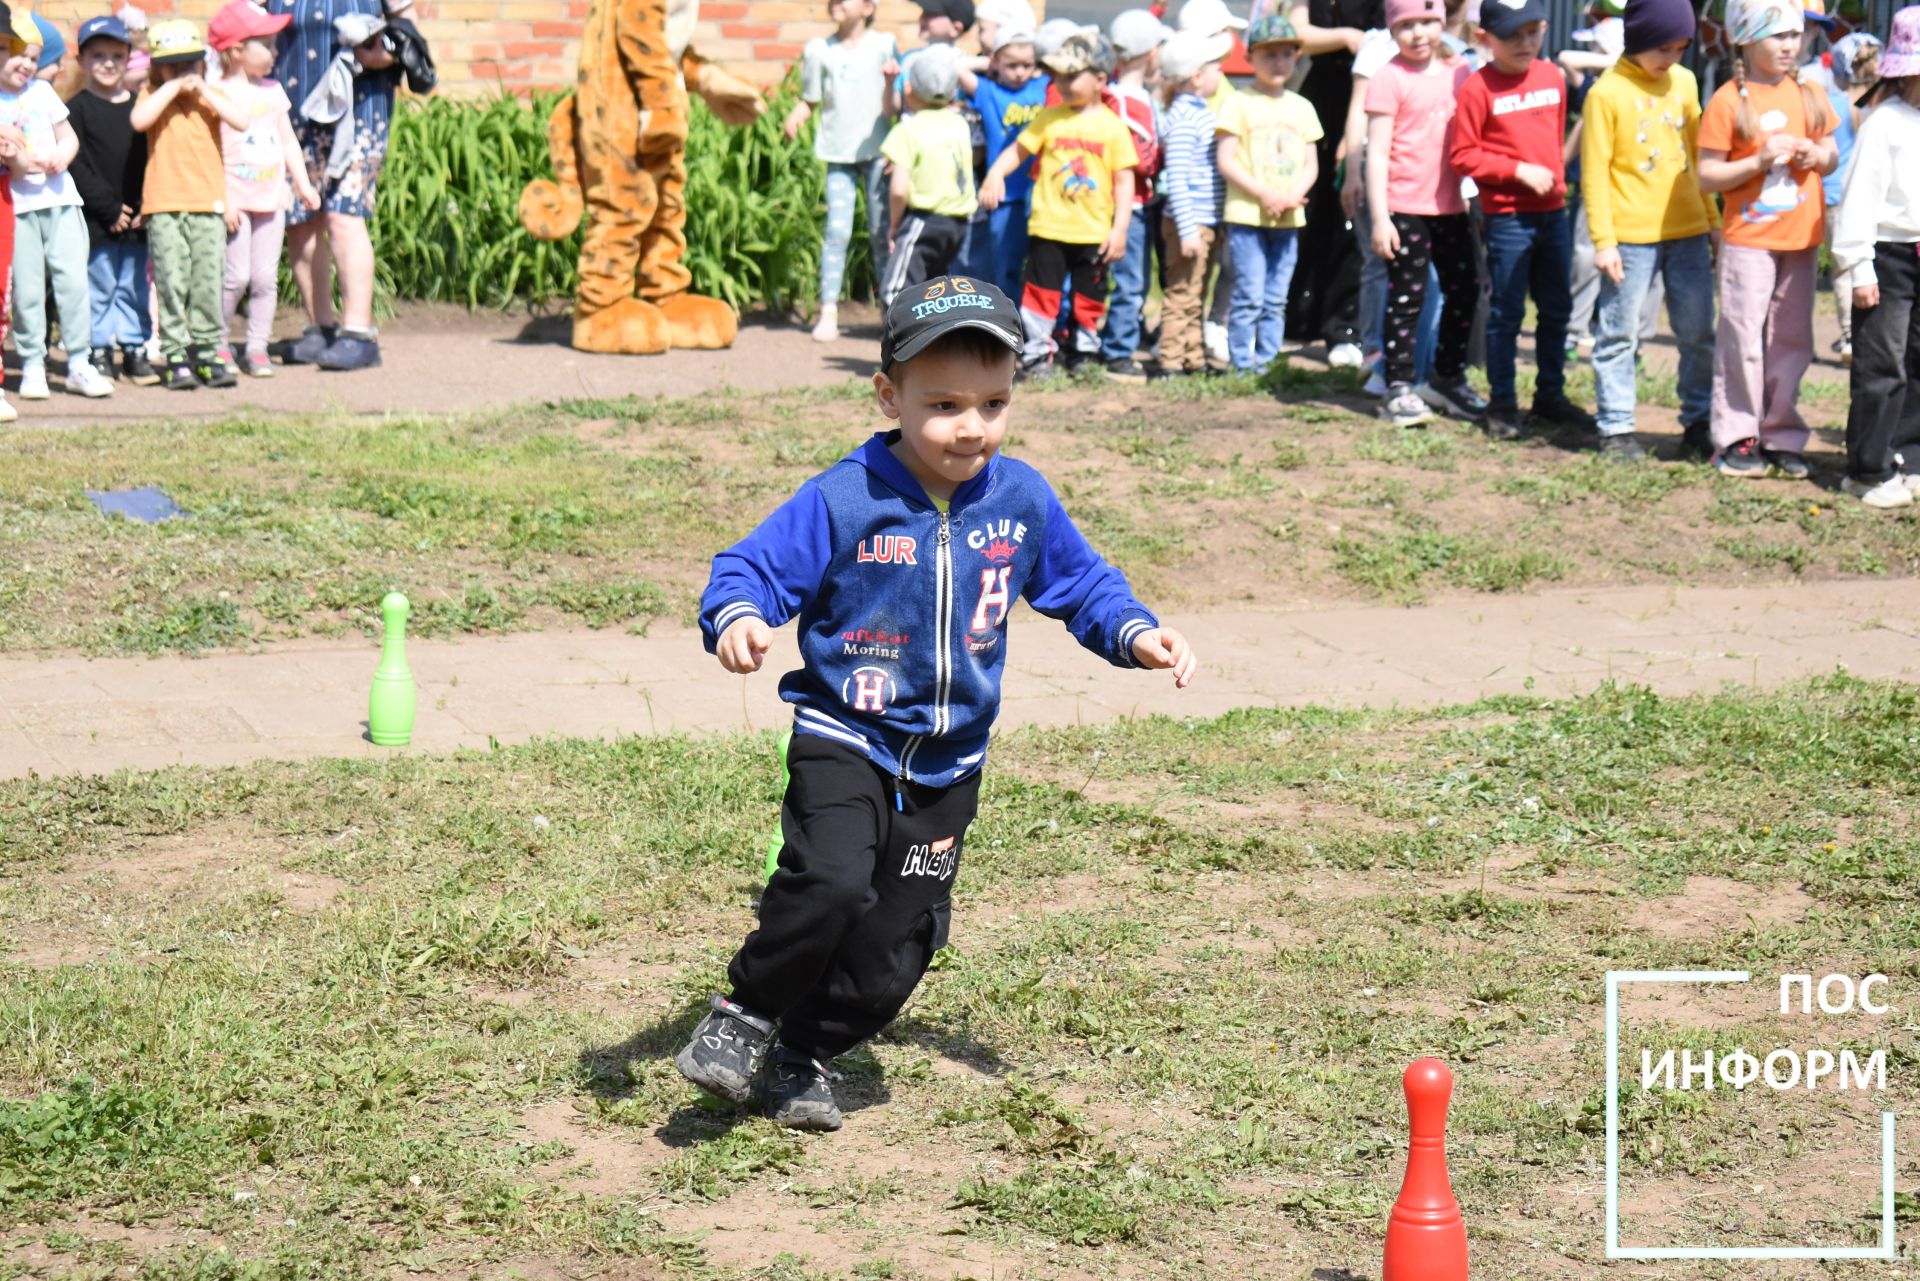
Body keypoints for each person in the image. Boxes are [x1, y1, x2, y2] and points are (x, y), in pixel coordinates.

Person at [675, 274, 1197, 1131]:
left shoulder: (1019, 500)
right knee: (834, 881)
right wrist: (737, 617)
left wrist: (1136, 632)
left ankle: (806, 1050)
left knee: (896, 948)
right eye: (945, 403)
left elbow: (1081, 581)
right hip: (846, 732)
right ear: (889, 394)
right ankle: (746, 1013)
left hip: (952, 761)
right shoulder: (848, 495)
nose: (972, 427)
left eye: (993, 403)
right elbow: (751, 569)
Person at [1696, 0, 1836, 479]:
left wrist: (1814, 154)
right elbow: (1707, 175)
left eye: (1795, 36)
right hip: (1748, 241)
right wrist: (1758, 161)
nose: (1789, 45)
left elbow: (1832, 153)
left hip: (1801, 239)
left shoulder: (1811, 93)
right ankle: (1738, 436)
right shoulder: (1728, 101)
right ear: (1745, 40)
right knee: (1743, 336)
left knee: (1792, 340)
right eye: (1777, 36)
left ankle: (1782, 434)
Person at [1447, 0, 1596, 439]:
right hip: (1509, 218)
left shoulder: (1551, 77)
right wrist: (1517, 171)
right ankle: (1503, 403)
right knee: (1507, 311)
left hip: (1553, 214)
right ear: (1483, 39)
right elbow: (1463, 154)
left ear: (1545, 28)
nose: (1524, 43)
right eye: (1512, 35)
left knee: (1557, 309)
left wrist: (1553, 173)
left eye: (1532, 32)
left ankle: (1550, 395)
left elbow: (1553, 137)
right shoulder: (1478, 89)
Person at [1580, 0, 1719, 460]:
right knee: (1619, 332)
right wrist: (1604, 241)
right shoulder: (1606, 93)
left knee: (1698, 331)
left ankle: (1699, 422)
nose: (1671, 59)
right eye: (1663, 48)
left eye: (1680, 48)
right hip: (1629, 239)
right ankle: (1616, 428)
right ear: (1637, 39)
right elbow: (1595, 173)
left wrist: (1712, 220)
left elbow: (1697, 158)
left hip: (1688, 231)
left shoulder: (1685, 81)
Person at [979, 30, 1138, 376]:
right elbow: (1019, 150)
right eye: (1058, 76)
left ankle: (1084, 352)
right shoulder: (1049, 118)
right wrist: (995, 175)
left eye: (1071, 76)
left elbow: (1126, 181)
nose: (1062, 83)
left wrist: (1120, 228)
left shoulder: (1113, 127)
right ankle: (1036, 354)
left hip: (1093, 230)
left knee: (1089, 296)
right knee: (1041, 294)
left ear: (1099, 78)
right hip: (1049, 226)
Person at [270, 0, 407, 372]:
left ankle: (358, 334)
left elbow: (408, 34)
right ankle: (320, 328)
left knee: (344, 215)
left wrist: (387, 53)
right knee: (301, 217)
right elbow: (248, 24)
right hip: (294, 109)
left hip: (360, 105)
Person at [1365, 0, 1482, 427]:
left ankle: (1446, 377)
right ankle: (1398, 386)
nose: (1418, 34)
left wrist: (1471, 190)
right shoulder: (1388, 78)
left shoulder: (1460, 73)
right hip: (1404, 208)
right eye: (1406, 25)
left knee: (1465, 289)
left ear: (1442, 23)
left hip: (1451, 206)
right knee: (1407, 297)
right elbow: (1376, 153)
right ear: (1391, 30)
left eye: (1427, 23)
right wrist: (1380, 218)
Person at [1832, 7, 1920, 507]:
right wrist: (1858, 264)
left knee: (1918, 361)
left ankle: (1909, 455)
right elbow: (1859, 198)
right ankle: (1868, 468)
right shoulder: (1885, 123)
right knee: (1882, 363)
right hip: (1887, 255)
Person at [0, 13, 113, 401]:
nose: (26, 65)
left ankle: (80, 361)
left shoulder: (42, 93)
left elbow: (68, 137)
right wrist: (19, 163)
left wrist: (63, 156)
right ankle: (33, 362)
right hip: (19, 208)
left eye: (33, 57)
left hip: (61, 200)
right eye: (17, 55)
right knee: (28, 291)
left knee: (73, 283)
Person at [133, 18, 249, 391]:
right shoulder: (152, 95)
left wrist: (203, 88)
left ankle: (208, 351)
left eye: (190, 63)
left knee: (207, 281)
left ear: (203, 63)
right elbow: (139, 121)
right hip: (164, 205)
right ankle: (176, 355)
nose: (184, 71)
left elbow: (242, 120)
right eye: (173, 64)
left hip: (207, 204)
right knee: (171, 281)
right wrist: (168, 87)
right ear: (158, 66)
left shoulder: (210, 97)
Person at [211, 0, 319, 379]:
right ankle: (219, 343)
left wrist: (302, 183)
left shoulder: (273, 91)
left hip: (272, 199)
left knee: (264, 278)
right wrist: (221, 200)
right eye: (267, 44)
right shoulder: (215, 91)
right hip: (235, 201)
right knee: (235, 277)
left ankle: (256, 347)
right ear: (236, 50)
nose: (276, 52)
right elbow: (209, 151)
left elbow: (287, 139)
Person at [1216, 13, 1319, 373]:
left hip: (1289, 216)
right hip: (1247, 216)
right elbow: (1227, 160)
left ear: (1297, 56)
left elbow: (1311, 164)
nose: (1278, 63)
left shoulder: (1302, 107)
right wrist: (1264, 194)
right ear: (1250, 58)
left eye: (1286, 54)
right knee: (1250, 294)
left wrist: (1292, 195)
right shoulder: (1238, 104)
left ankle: (1270, 362)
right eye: (1268, 55)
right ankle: (1242, 363)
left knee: (1276, 297)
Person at [789, 0, 896, 343]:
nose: (835, 3)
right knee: (837, 230)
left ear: (867, 7)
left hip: (879, 151)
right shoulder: (819, 50)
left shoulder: (884, 45)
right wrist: (798, 113)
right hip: (837, 153)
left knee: (883, 233)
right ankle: (829, 309)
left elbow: (895, 100)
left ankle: (891, 312)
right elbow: (811, 98)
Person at [67, 13, 155, 386]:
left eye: (116, 56)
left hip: (136, 218)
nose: (107, 63)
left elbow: (150, 160)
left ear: (128, 59)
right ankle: (99, 347)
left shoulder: (140, 107)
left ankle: (134, 347)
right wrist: (107, 208)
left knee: (134, 284)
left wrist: (142, 206)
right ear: (82, 61)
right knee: (100, 285)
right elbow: (77, 163)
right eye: (98, 55)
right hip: (98, 219)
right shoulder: (77, 108)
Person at [1290, 0, 1377, 368]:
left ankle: (1345, 328)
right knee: (1308, 210)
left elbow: (1378, 46)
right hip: (1318, 99)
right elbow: (1298, 35)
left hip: (1362, 98)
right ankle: (1300, 317)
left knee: (1349, 221)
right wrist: (1344, 36)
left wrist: (1352, 138)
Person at [1157, 28, 1231, 375]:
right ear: (1197, 76)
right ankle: (1171, 360)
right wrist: (1188, 231)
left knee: (1196, 292)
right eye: (1216, 66)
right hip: (1192, 223)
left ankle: (1193, 357)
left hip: (1204, 222)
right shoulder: (1186, 120)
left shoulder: (1197, 111)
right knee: (1182, 293)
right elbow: (1179, 179)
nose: (1222, 72)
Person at [1096, 8, 1165, 382]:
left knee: (1127, 277)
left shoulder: (1122, 95)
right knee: (1129, 279)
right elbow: (1133, 156)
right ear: (1152, 53)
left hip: (1133, 202)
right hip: (1129, 205)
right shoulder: (1124, 101)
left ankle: (1111, 339)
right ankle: (1118, 350)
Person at [878, 46, 976, 302]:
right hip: (960, 222)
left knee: (897, 291)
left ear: (908, 89)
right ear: (954, 91)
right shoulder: (960, 124)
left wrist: (895, 226)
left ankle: (898, 339)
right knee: (936, 291)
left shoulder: (908, 129)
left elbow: (899, 189)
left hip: (925, 219)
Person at [958, 23, 1046, 299]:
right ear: (996, 62)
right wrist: (990, 61)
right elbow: (957, 68)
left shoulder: (1043, 86)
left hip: (1043, 192)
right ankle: (1010, 318)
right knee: (1006, 264)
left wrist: (1039, 66)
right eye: (1012, 65)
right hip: (1005, 194)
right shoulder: (988, 92)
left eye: (1027, 64)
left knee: (1044, 265)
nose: (1020, 72)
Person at [1817, 31, 1880, 363]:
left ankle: (1848, 338)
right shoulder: (1884, 105)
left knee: (1844, 269)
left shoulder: (1834, 104)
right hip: (1877, 202)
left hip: (1836, 197)